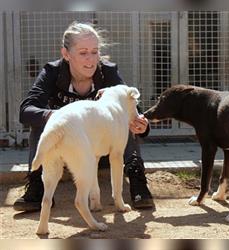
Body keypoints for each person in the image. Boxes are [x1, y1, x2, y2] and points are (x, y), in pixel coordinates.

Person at [13, 21, 153, 212]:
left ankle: (138, 185)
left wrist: (142, 125)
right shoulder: (52, 72)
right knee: (41, 124)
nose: (91, 59)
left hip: (101, 150)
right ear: (66, 54)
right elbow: (26, 111)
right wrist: (58, 117)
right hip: (69, 150)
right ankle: (37, 186)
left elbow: (130, 107)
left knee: (122, 122)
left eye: (94, 52)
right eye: (83, 52)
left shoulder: (108, 71)